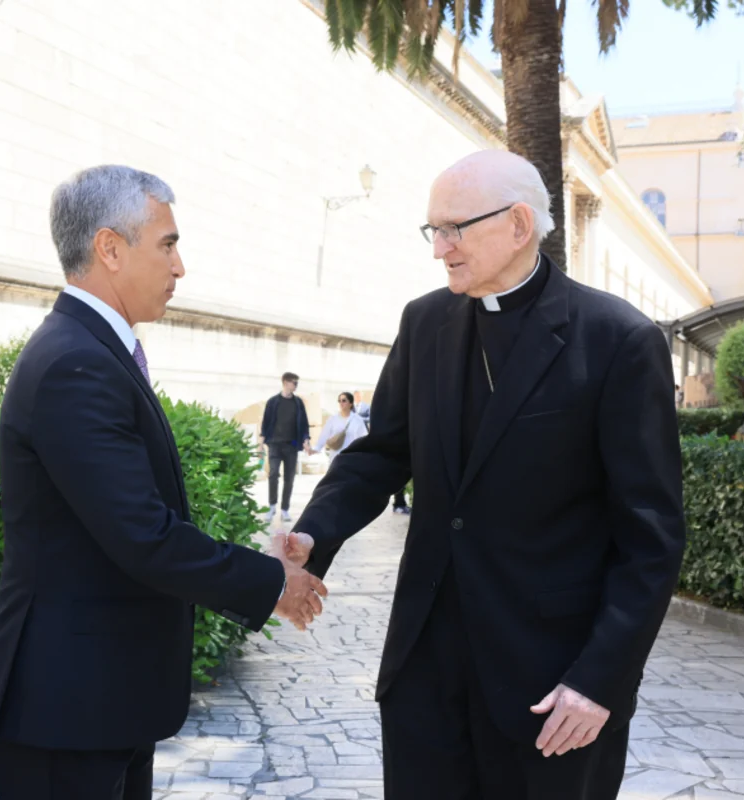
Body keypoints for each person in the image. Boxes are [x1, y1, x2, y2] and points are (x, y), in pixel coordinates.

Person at [281, 151, 686, 799]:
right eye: (433, 229)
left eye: (453, 229)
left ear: (519, 224)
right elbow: (382, 453)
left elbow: (651, 537)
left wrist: (600, 680)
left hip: (553, 688)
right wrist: (313, 535)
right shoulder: (425, 322)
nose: (438, 248)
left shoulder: (618, 339)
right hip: (425, 674)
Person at [0, 165, 328, 800]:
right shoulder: (76, 363)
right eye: (167, 245)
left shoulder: (91, 350)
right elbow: (143, 534)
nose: (180, 267)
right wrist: (273, 583)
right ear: (110, 249)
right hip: (69, 709)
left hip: (103, 700)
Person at [259, 372, 311, 522]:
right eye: (294, 382)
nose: (296, 385)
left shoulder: (298, 403)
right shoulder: (273, 402)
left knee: (289, 478)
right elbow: (265, 423)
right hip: (274, 444)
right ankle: (272, 506)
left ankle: (285, 509)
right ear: (285, 382)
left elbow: (304, 424)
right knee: (273, 474)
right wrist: (260, 444)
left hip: (291, 445)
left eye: (297, 383)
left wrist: (306, 440)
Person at [356, 401, 411, 514]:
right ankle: (398, 503)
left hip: (394, 446)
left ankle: (399, 503)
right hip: (393, 448)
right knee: (396, 475)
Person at [309, 392, 369, 459]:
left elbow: (363, 439)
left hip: (351, 457)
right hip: (335, 457)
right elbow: (324, 435)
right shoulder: (333, 419)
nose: (341, 403)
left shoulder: (357, 420)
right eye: (339, 401)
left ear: (351, 403)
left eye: (344, 401)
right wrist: (316, 449)